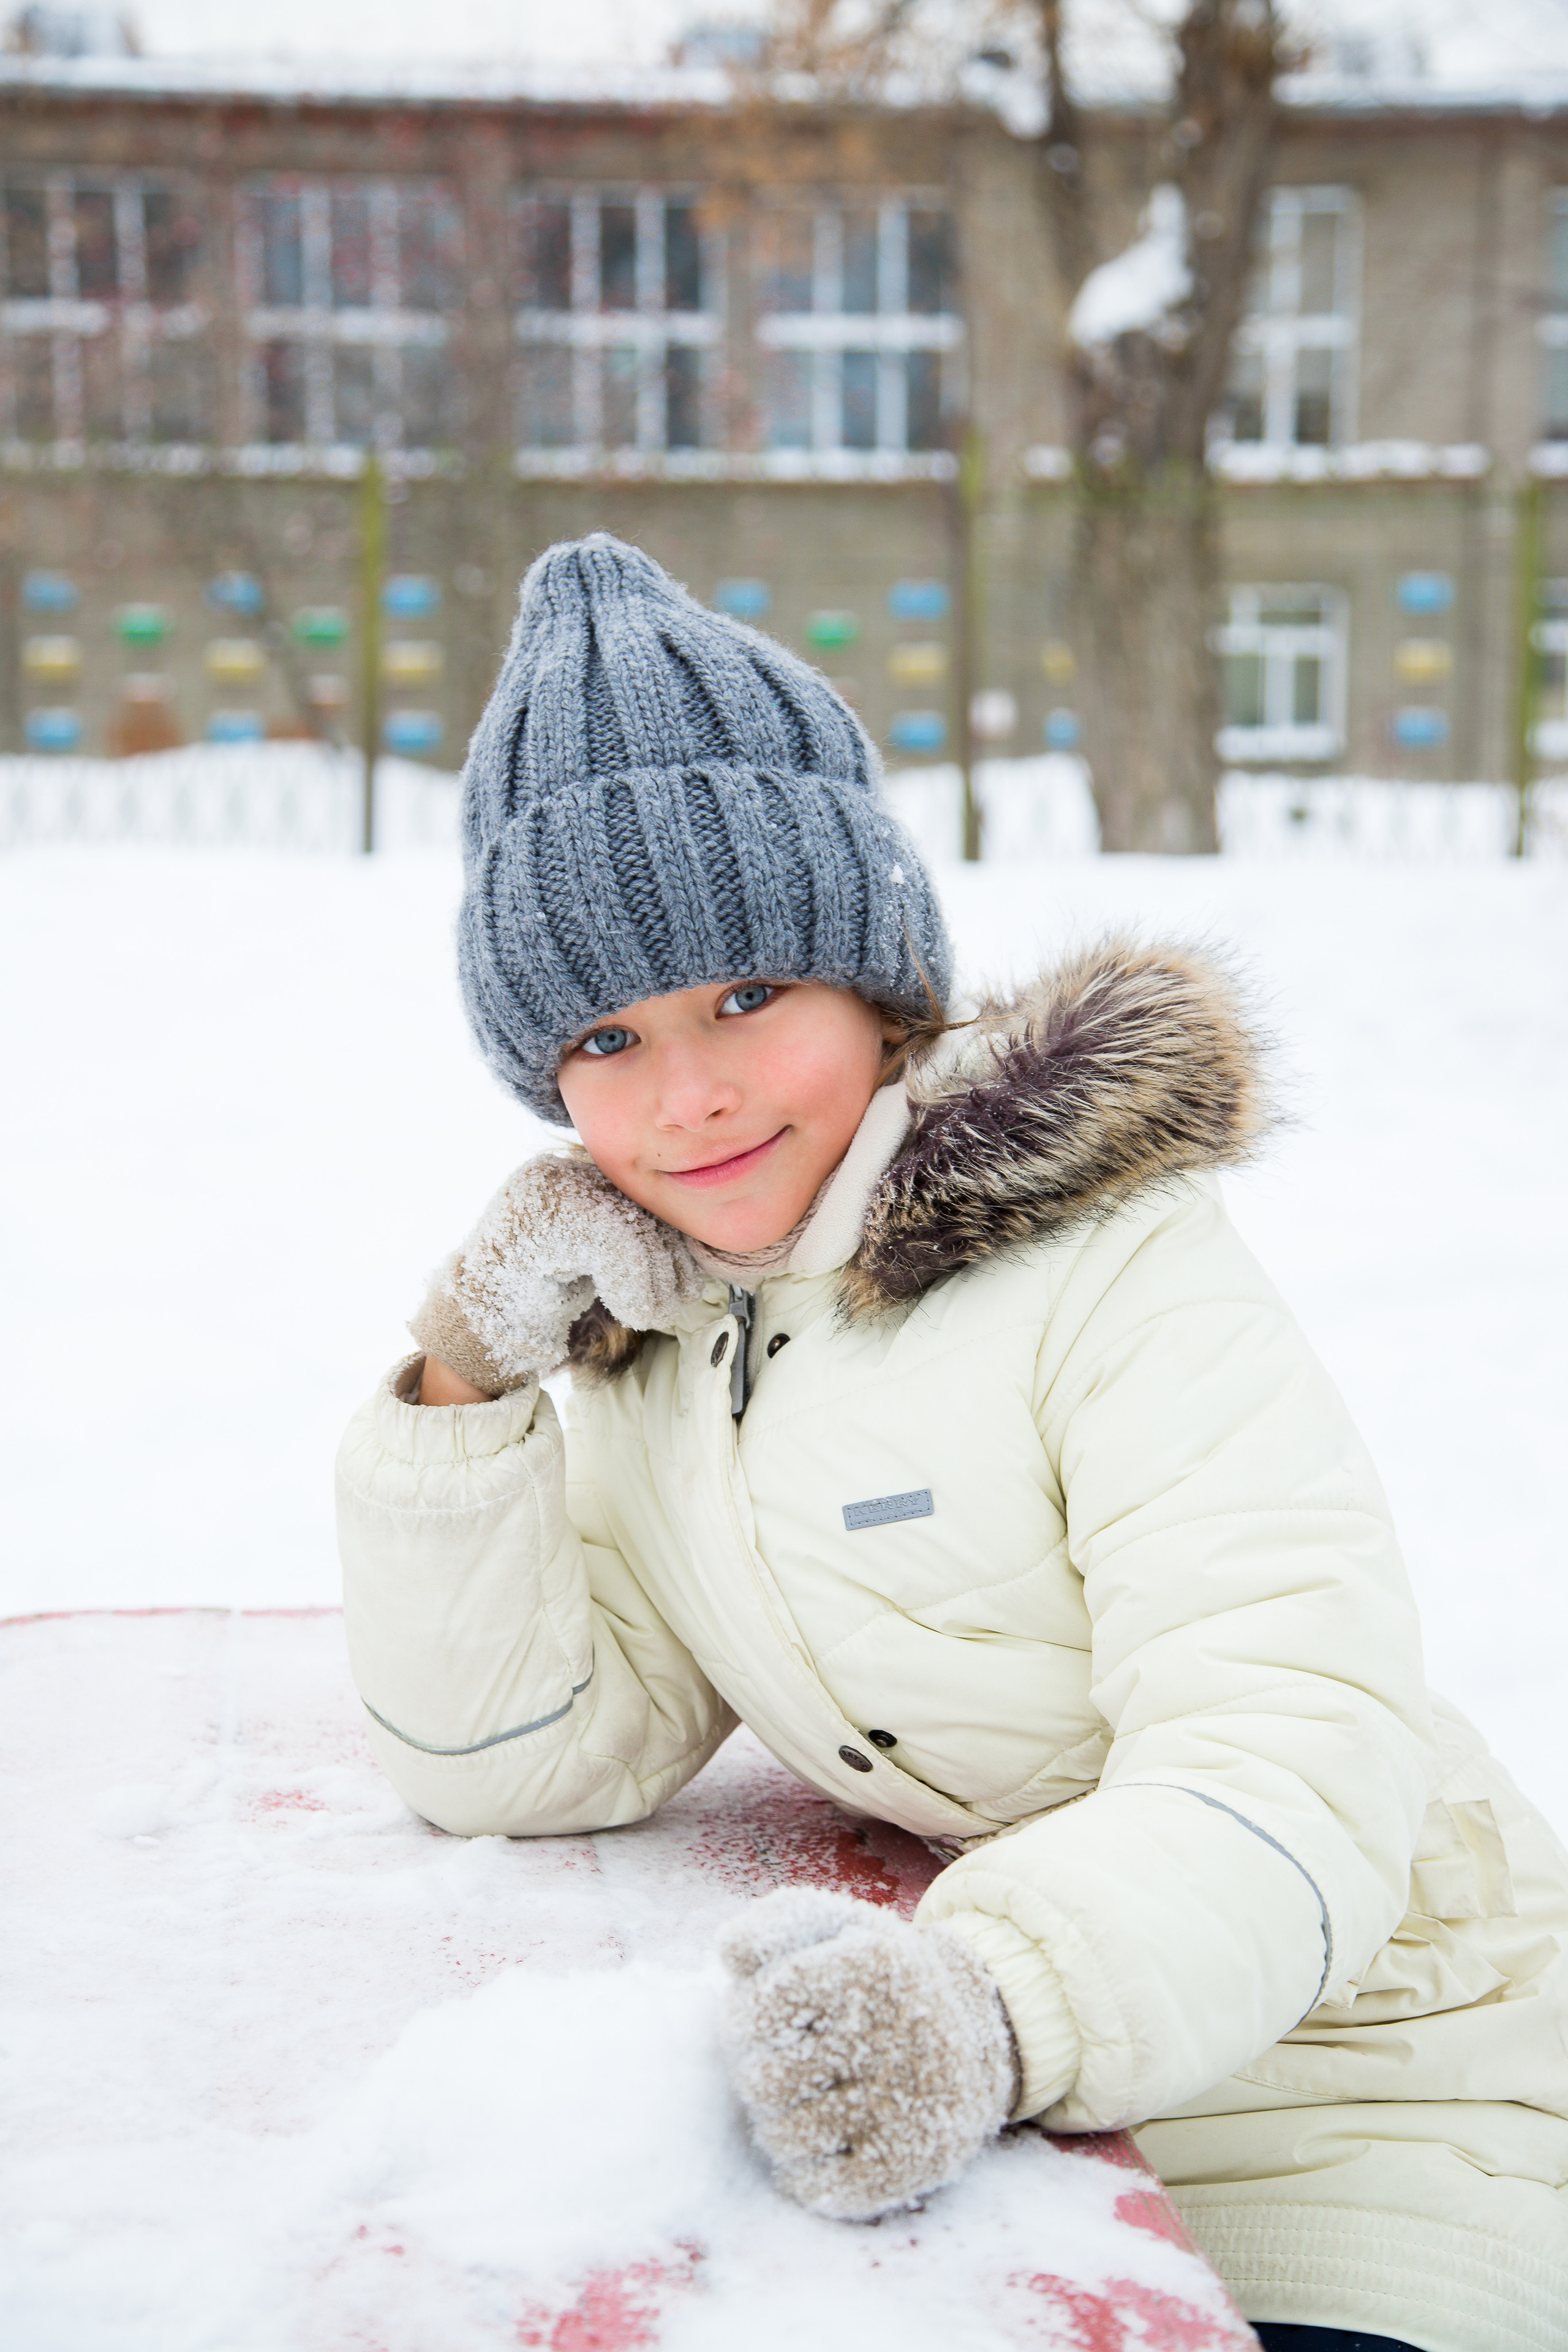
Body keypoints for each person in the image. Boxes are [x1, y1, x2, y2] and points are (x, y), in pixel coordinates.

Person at [336, 535, 1568, 2352]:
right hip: (1022, 2134)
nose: (690, 1095)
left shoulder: (1111, 1266)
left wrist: (989, 2010)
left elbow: (1292, 1735)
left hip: (1362, 2083)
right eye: (607, 1036)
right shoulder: (674, 1335)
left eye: (747, 995)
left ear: (878, 984)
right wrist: (468, 1370)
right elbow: (531, 1760)